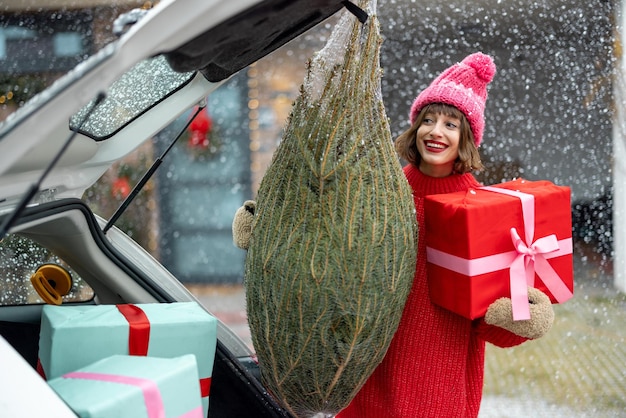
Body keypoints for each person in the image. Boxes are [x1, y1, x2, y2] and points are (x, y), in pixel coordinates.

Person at [336, 52, 555, 417]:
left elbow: (489, 322)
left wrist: (521, 319)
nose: (436, 131)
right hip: (367, 374)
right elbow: (331, 253)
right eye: (428, 119)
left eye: (451, 124)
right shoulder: (383, 191)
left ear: (466, 138)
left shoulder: (483, 210)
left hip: (438, 385)